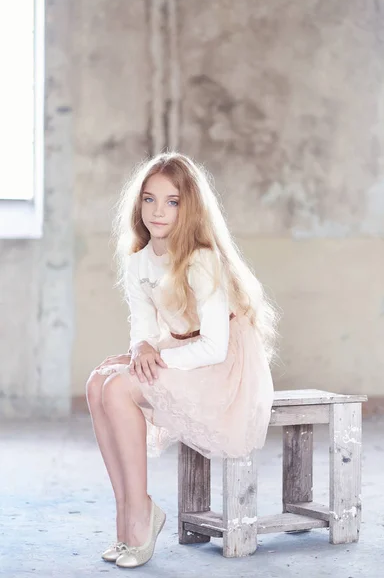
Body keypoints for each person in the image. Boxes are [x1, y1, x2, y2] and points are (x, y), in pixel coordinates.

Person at [86, 152, 279, 568]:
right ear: (137, 204)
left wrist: (155, 361)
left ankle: (139, 517)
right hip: (177, 346)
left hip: (223, 365)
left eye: (172, 201)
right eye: (149, 199)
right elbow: (142, 324)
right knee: (96, 380)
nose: (158, 211)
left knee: (118, 387)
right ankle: (127, 514)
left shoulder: (200, 260)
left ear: (188, 207)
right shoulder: (138, 258)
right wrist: (140, 348)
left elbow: (213, 346)